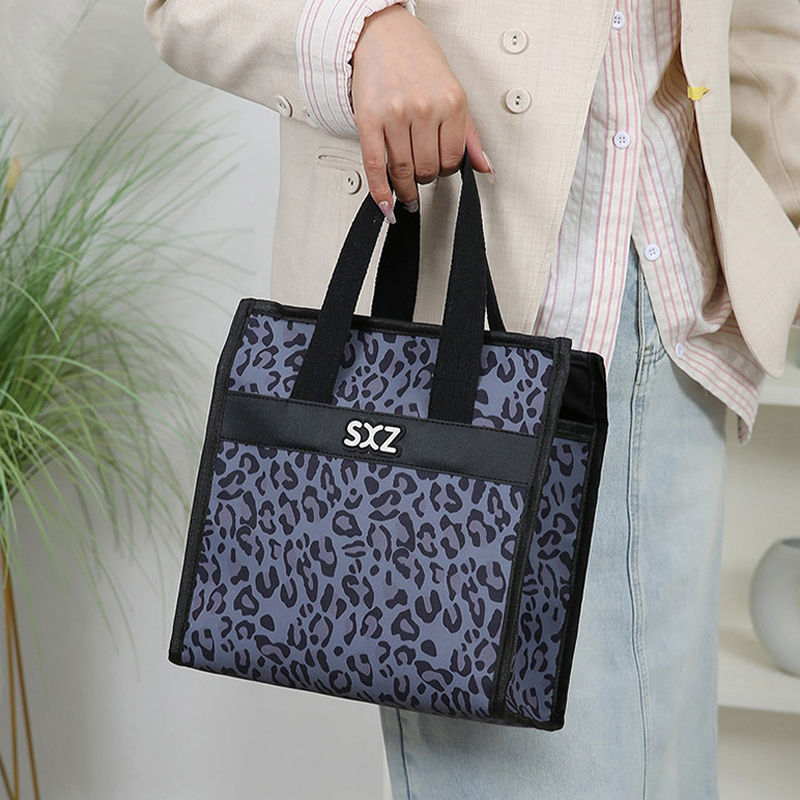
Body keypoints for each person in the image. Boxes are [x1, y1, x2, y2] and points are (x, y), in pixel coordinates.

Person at [143, 1, 800, 797]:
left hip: (682, 326)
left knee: (673, 775)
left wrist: (782, 220)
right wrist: (363, 34)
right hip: (471, 350)